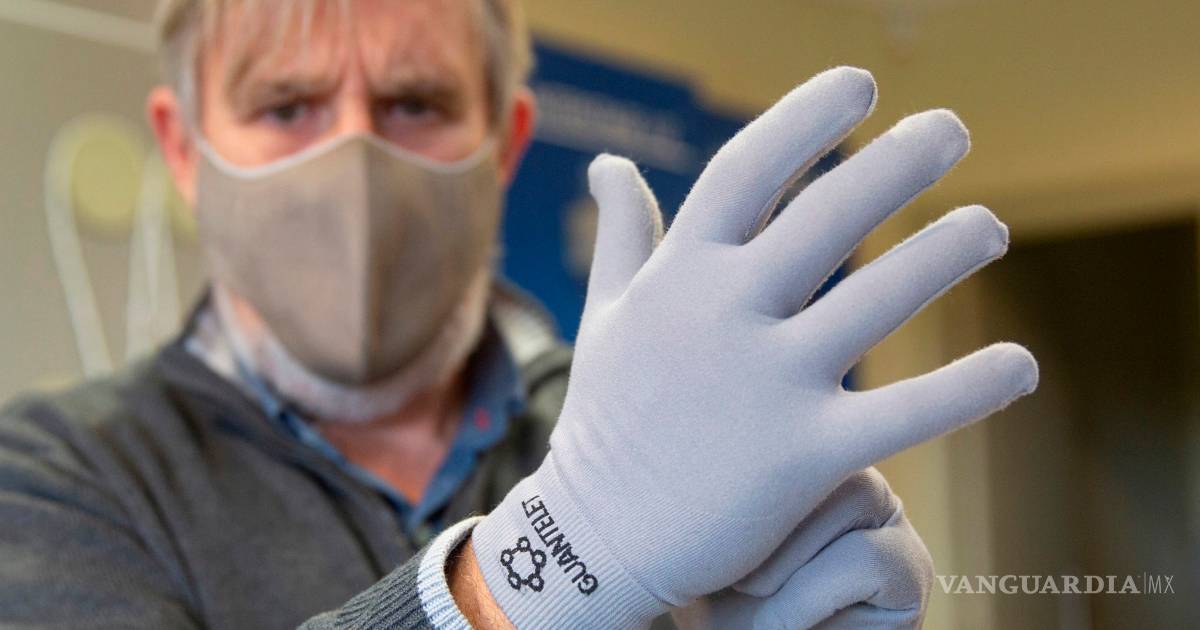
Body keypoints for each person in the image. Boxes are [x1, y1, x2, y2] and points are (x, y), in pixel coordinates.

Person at [0, 0, 1038, 628]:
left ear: (505, 141)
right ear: (183, 151)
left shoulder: (663, 440)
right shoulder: (52, 478)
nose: (354, 158)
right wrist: (553, 562)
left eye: (415, 104)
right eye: (287, 107)